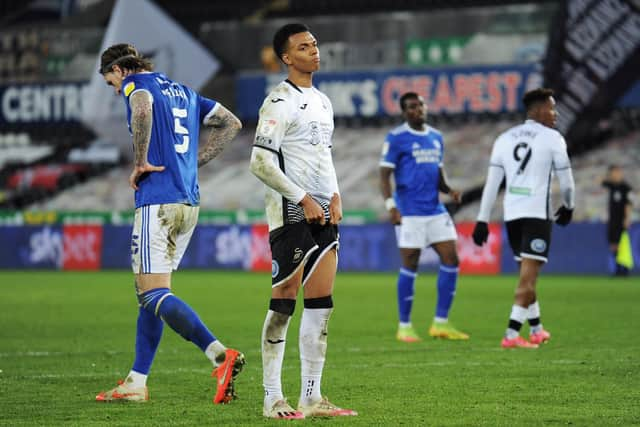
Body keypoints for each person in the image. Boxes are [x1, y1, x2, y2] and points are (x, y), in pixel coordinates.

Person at [94, 43, 244, 403]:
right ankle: (136, 382)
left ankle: (219, 355)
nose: (115, 91)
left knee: (152, 293)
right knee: (151, 295)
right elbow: (232, 123)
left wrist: (141, 160)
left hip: (158, 200)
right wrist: (194, 162)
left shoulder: (136, 84)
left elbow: (141, 104)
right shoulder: (185, 92)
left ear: (118, 70)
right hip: (187, 201)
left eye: (110, 83)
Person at [249, 23, 357, 420]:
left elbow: (322, 155)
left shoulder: (323, 101)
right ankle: (272, 397)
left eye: (314, 43)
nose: (313, 50)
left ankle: (312, 396)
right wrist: (302, 198)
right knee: (282, 305)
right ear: (286, 58)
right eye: (303, 47)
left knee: (321, 306)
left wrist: (335, 193)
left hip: (322, 211)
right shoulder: (278, 101)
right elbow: (259, 161)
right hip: (291, 213)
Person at [472, 87, 575, 349]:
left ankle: (537, 329)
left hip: (513, 216)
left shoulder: (504, 138)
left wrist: (482, 220)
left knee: (526, 273)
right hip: (536, 215)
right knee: (528, 278)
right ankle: (511, 334)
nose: (556, 113)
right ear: (539, 109)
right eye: (552, 108)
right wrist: (569, 205)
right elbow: (567, 180)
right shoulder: (552, 138)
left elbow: (492, 185)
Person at [379, 92, 469, 343]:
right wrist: (391, 206)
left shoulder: (436, 137)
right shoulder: (396, 138)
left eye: (420, 105)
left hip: (435, 210)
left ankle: (441, 323)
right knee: (410, 265)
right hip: (409, 212)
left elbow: (437, 173)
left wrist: (449, 190)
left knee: (452, 259)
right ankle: (404, 326)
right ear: (404, 112)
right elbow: (384, 176)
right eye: (411, 107)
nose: (417, 109)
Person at [602, 165, 633, 276]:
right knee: (613, 245)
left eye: (616, 172)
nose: (614, 175)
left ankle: (623, 269)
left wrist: (627, 218)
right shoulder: (612, 186)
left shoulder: (625, 187)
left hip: (621, 220)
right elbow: (600, 181)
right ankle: (617, 269)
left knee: (621, 245)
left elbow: (628, 204)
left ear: (620, 173)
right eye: (612, 173)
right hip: (612, 220)